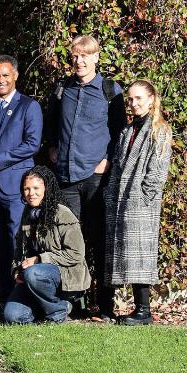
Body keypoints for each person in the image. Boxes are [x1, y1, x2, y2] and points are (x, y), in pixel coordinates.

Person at [45, 34, 125, 317]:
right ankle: (74, 304)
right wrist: (52, 146)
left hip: (95, 178)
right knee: (68, 241)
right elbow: (51, 123)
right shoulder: (61, 89)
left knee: (100, 240)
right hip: (66, 178)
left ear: (95, 57)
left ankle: (104, 306)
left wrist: (107, 161)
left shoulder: (109, 90)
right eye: (75, 56)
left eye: (84, 56)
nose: (79, 61)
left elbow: (120, 133)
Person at [0, 55, 43, 305]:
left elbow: (32, 144)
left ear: (15, 75)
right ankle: (5, 299)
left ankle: (22, 299)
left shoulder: (29, 106)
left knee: (18, 243)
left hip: (16, 187)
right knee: (0, 246)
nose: (0, 80)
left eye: (5, 75)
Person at [104, 80, 172, 325]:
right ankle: (139, 310)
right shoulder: (127, 131)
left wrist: (144, 197)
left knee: (140, 255)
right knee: (130, 255)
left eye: (138, 99)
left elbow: (157, 173)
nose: (133, 104)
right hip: (122, 200)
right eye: (130, 99)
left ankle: (144, 310)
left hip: (141, 203)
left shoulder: (160, 131)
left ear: (151, 99)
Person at [4, 166, 91, 324]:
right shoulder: (27, 214)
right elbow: (19, 253)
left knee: (34, 273)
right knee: (13, 316)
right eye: (26, 189)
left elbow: (77, 254)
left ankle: (58, 311)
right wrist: (16, 270)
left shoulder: (62, 213)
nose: (31, 194)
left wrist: (39, 259)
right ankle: (46, 309)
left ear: (46, 188)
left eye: (36, 188)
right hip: (34, 276)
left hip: (65, 276)